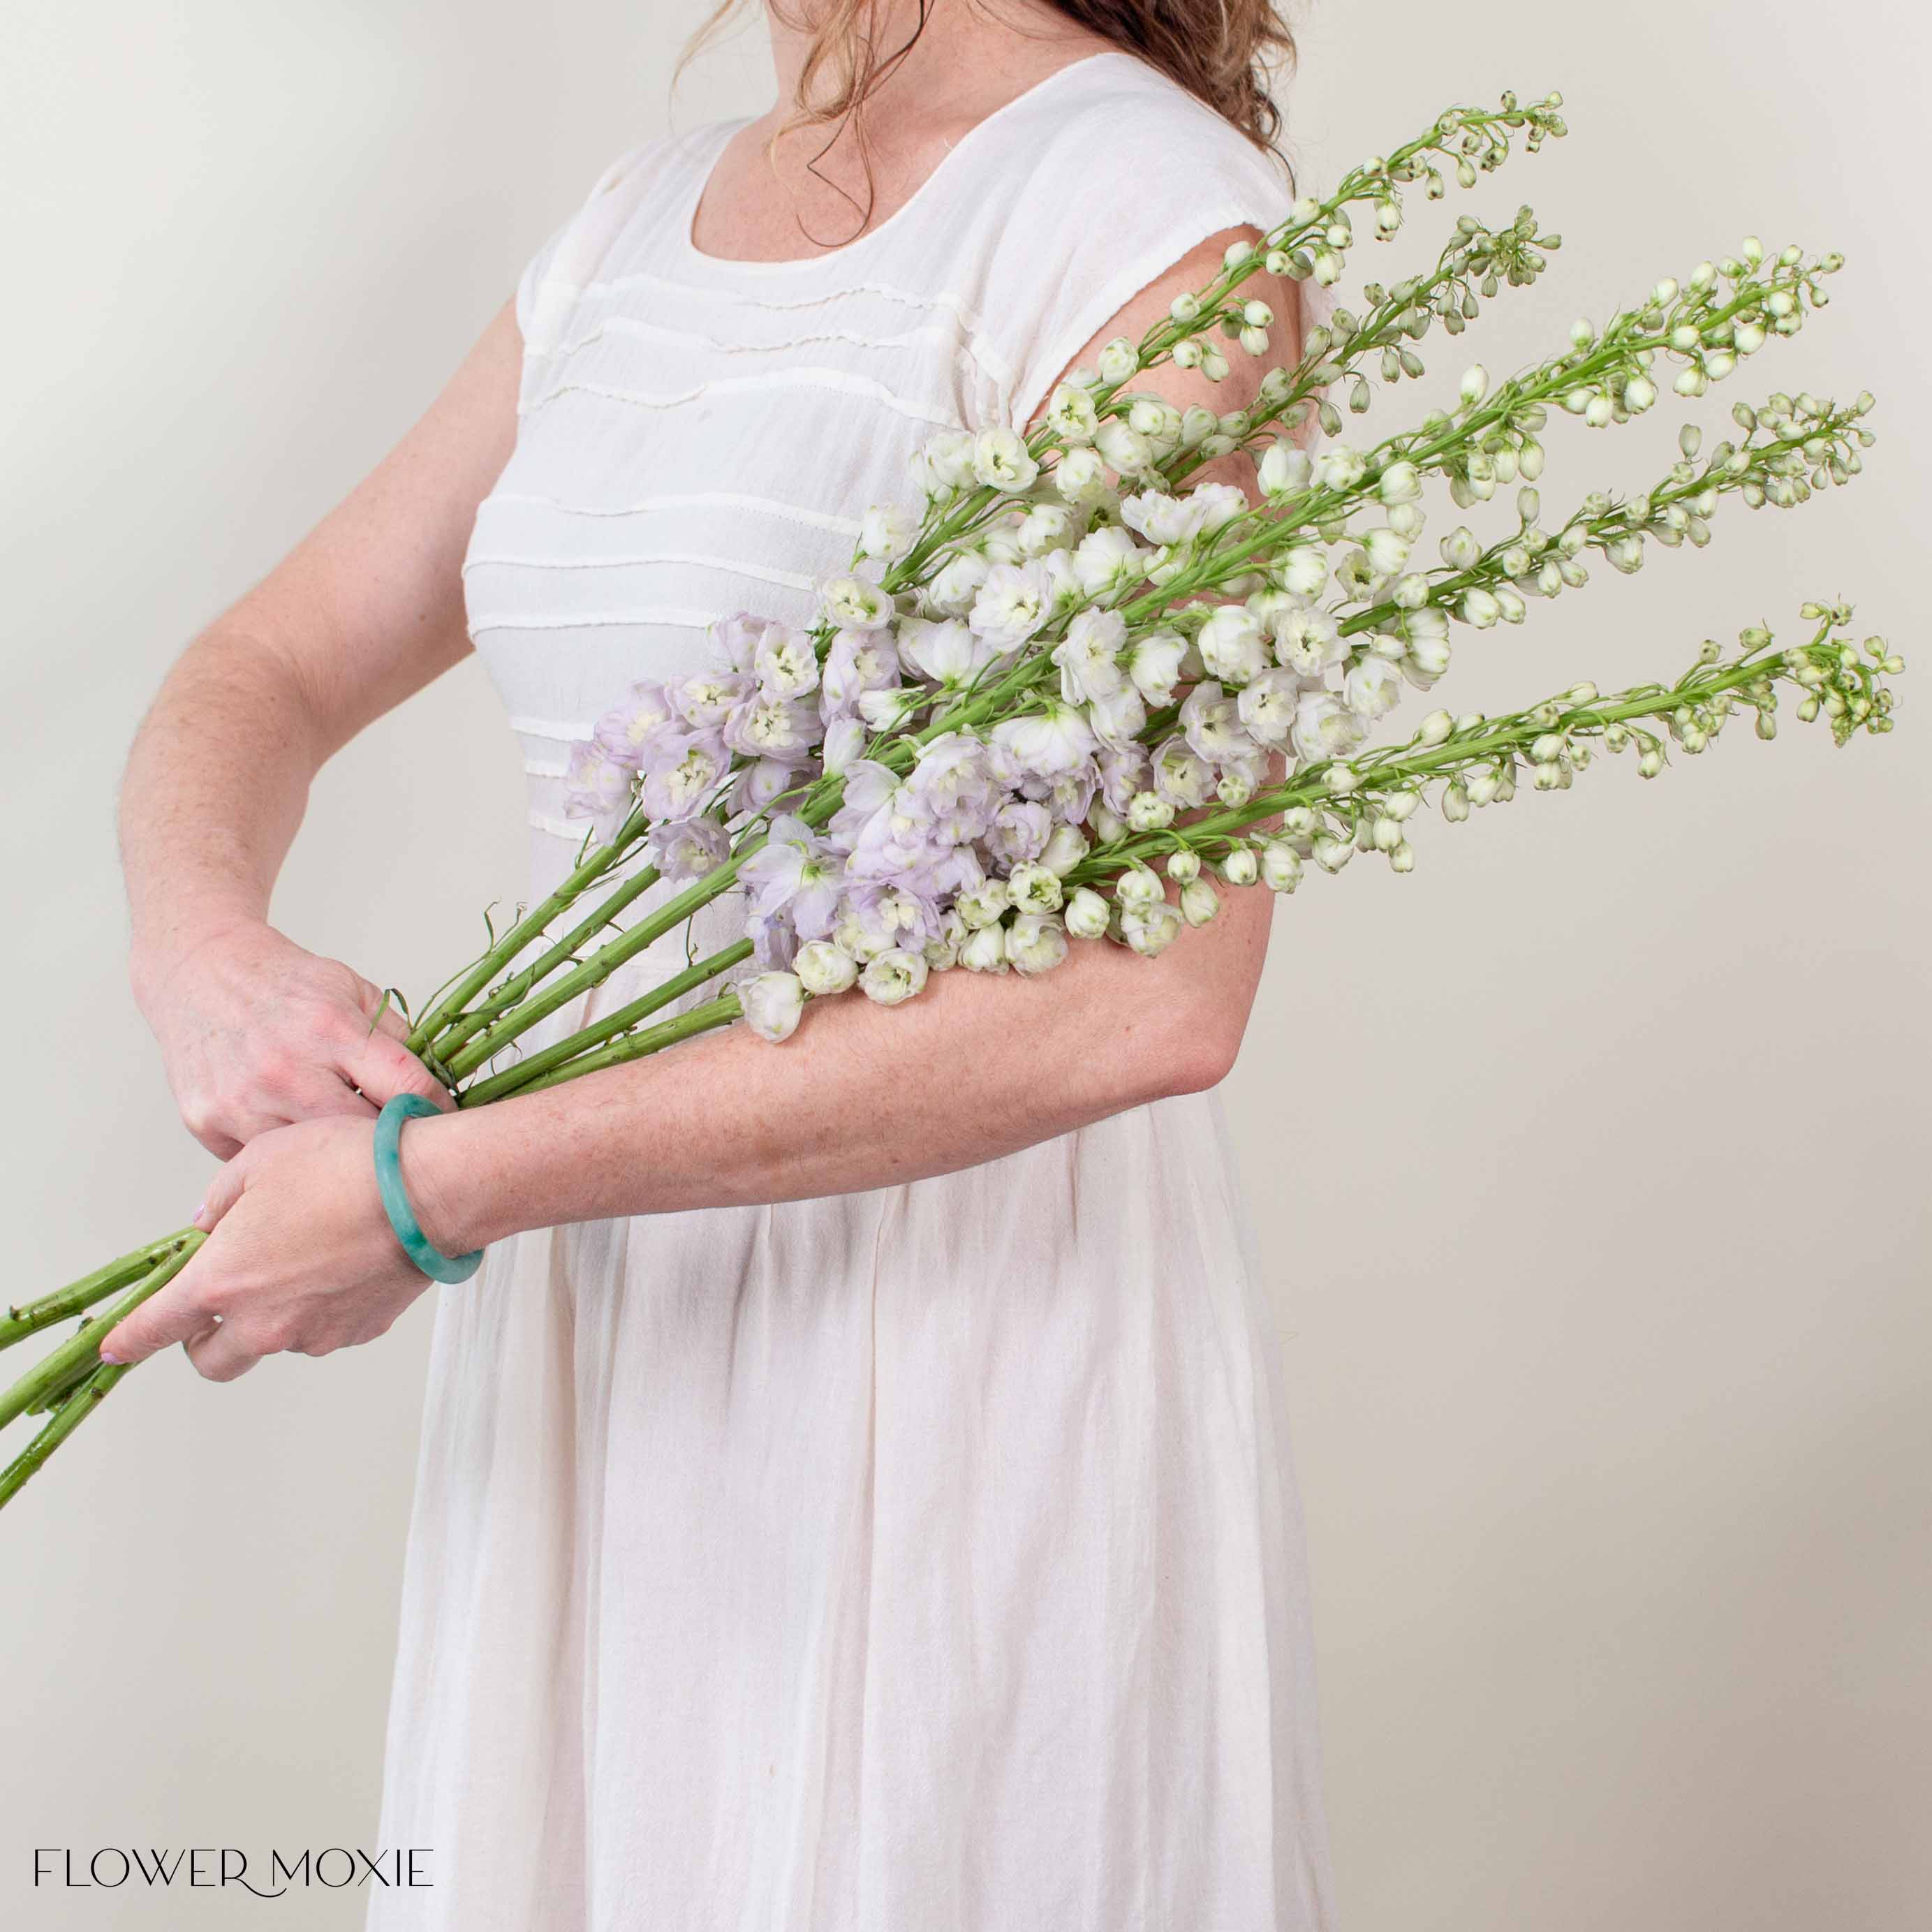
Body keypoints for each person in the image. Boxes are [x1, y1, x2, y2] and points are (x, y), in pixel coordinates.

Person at [104, 1, 1337, 1924]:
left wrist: (433, 1192)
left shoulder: (1143, 218)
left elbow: (1156, 996)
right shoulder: (632, 228)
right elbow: (258, 668)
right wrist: (207, 957)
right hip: (598, 1353)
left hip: (948, 1361)